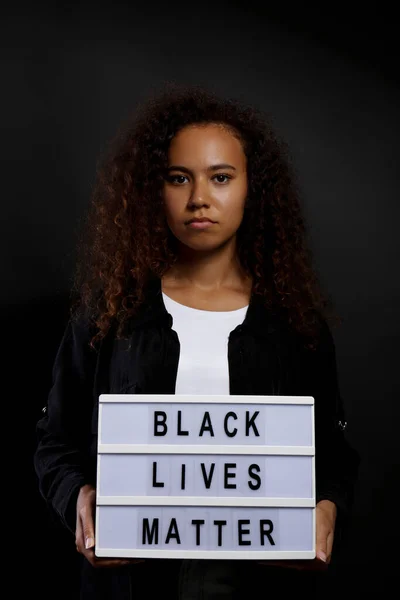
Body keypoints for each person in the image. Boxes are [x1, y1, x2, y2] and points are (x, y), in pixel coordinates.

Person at [34, 84, 359, 599]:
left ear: (253, 188)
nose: (199, 198)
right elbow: (56, 440)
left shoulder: (296, 324)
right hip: (133, 583)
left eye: (221, 177)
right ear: (153, 189)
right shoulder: (109, 314)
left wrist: (326, 506)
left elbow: (334, 454)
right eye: (178, 178)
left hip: (258, 583)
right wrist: (79, 497)